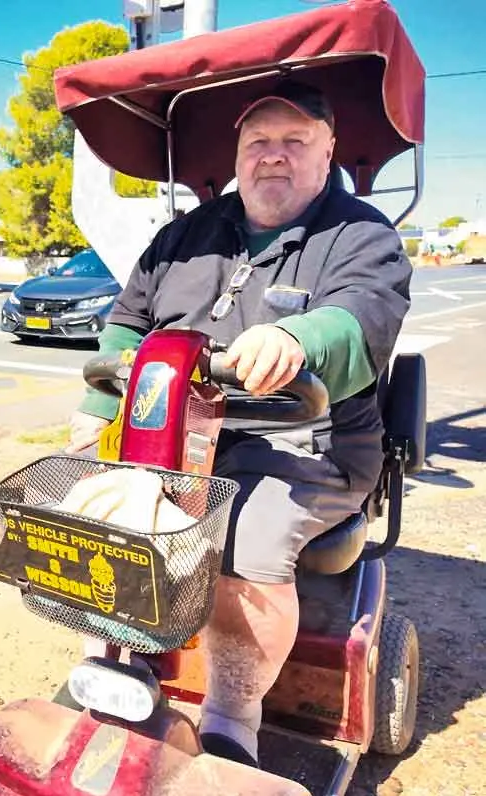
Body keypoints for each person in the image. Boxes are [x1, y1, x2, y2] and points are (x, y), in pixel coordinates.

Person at [66, 81, 412, 767]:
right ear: (237, 153)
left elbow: (362, 315)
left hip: (304, 445)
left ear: (328, 150)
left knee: (242, 541)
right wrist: (93, 417)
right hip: (171, 437)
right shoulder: (184, 236)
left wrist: (298, 340)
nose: (273, 157)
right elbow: (128, 324)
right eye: (258, 142)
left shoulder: (361, 236)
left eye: (294, 141)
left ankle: (232, 720)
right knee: (89, 514)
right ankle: (113, 671)